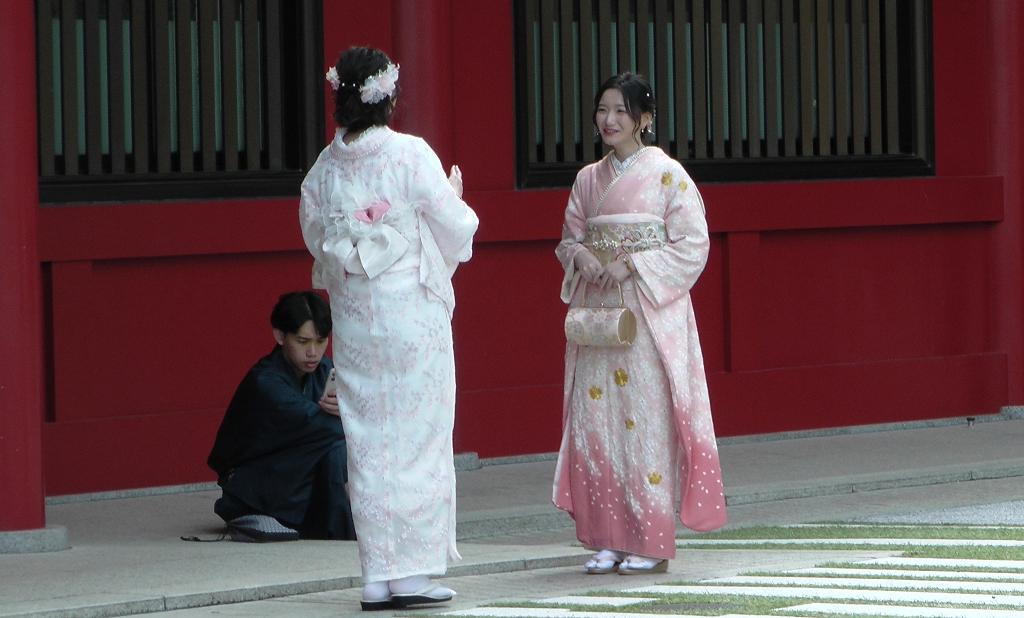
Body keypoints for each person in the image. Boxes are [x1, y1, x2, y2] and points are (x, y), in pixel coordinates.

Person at [299, 46, 478, 611]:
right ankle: (412, 575)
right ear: (388, 97)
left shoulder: (325, 169)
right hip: (411, 316)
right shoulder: (409, 153)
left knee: (369, 443)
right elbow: (456, 225)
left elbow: (315, 236)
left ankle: (377, 575)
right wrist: (452, 198)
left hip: (357, 322)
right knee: (419, 436)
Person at [552, 73, 727, 575]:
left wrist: (632, 263)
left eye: (621, 111)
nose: (608, 120)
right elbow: (569, 239)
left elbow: (693, 244)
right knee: (597, 422)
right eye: (602, 110)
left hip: (647, 315)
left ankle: (649, 540)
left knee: (644, 421)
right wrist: (582, 256)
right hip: (599, 314)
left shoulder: (669, 175)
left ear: (644, 119)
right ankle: (606, 537)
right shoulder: (588, 179)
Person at [207, 291, 356, 542]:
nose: (313, 352)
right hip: (250, 483)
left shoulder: (323, 369)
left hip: (292, 474)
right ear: (279, 336)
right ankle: (347, 526)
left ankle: (345, 523)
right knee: (333, 441)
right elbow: (325, 426)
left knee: (333, 446)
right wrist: (350, 413)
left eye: (321, 341)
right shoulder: (265, 382)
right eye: (302, 341)